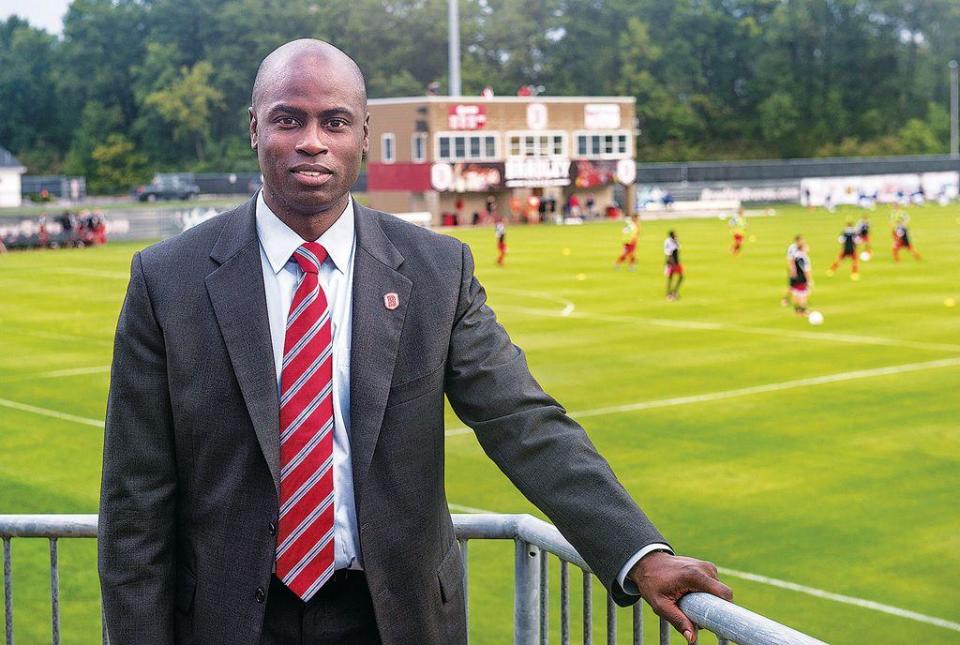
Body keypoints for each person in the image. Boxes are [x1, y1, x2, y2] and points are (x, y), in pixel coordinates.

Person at [98, 39, 729, 645]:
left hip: (393, 618)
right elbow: (135, 502)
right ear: (254, 129)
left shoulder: (436, 271)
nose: (312, 142)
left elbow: (522, 421)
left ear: (364, 135)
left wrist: (639, 552)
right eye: (288, 120)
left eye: (335, 122)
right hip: (227, 622)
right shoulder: (167, 280)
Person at [788, 240, 813, 316]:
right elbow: (806, 270)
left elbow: (791, 264)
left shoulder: (795, 255)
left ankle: (797, 310)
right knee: (803, 294)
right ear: (802, 248)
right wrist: (809, 280)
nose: (807, 247)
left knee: (796, 293)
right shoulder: (804, 257)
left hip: (794, 277)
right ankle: (803, 311)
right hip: (801, 278)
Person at [782, 235, 802, 306]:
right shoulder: (792, 248)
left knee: (796, 286)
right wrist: (792, 270)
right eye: (801, 241)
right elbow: (790, 260)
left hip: (799, 270)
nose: (802, 242)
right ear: (797, 241)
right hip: (794, 270)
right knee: (793, 286)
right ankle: (785, 300)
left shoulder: (799, 247)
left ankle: (787, 300)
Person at [664, 230, 683, 300]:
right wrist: (673, 264)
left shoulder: (671, 241)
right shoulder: (670, 242)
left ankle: (671, 293)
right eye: (675, 235)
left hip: (674, 262)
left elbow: (679, 248)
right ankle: (671, 293)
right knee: (678, 277)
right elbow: (669, 254)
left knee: (672, 278)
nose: (676, 235)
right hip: (673, 263)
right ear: (672, 236)